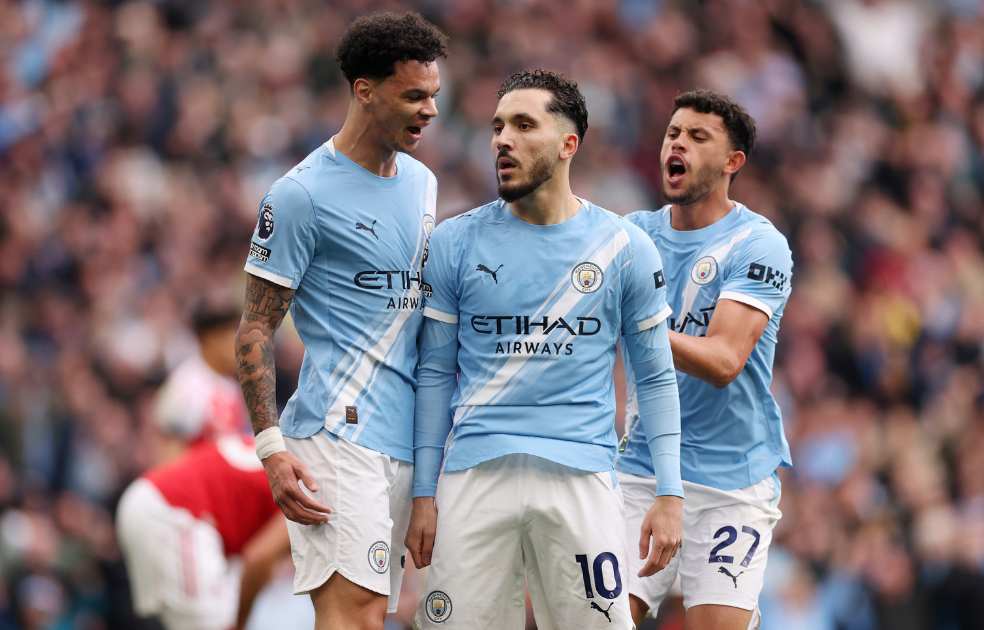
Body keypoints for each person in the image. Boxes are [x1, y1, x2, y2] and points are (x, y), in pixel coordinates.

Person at [405, 69, 683, 630]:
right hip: (473, 475)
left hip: (580, 477)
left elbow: (654, 377)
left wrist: (670, 493)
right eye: (497, 126)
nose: (501, 139)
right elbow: (434, 372)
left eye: (523, 125)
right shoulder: (455, 242)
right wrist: (422, 492)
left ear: (567, 145)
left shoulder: (625, 246)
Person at [234, 11, 446, 630]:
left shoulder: (424, 182)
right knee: (354, 616)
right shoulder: (299, 195)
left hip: (405, 439)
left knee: (396, 616)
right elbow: (253, 329)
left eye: (433, 95)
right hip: (335, 431)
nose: (430, 110)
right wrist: (271, 450)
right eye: (413, 96)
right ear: (364, 90)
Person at [616, 89, 793, 630]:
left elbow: (723, 361)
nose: (679, 143)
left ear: (731, 162)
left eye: (698, 137)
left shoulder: (758, 245)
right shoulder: (632, 236)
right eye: (673, 133)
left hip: (730, 481)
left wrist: (634, 323)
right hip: (641, 468)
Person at [116, 435, 289, 630]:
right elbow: (258, 558)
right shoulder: (316, 487)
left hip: (161, 500)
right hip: (176, 511)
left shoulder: (289, 449)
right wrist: (240, 623)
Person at [153, 303, 249, 464]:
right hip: (197, 484)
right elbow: (170, 454)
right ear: (209, 339)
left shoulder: (232, 388)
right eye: (232, 336)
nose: (240, 346)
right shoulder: (186, 385)